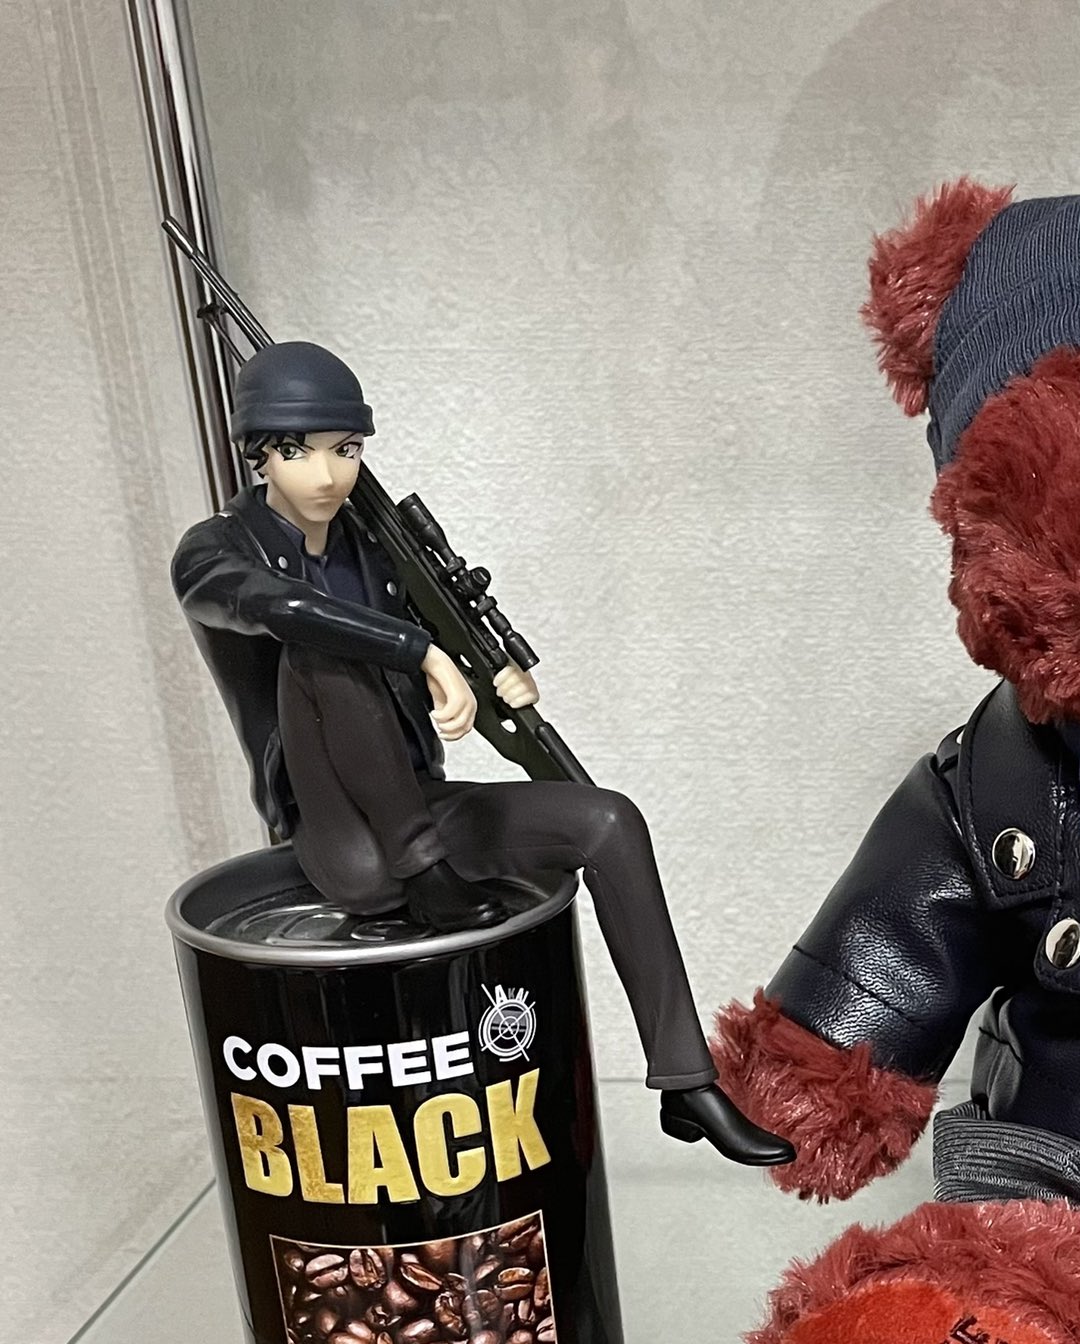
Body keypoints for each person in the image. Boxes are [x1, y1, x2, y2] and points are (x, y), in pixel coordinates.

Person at [172, 340, 790, 1166]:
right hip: (342, 841)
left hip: (413, 796)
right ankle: (428, 875)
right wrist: (418, 650)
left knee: (610, 820)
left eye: (345, 450)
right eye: (296, 451)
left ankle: (686, 1083)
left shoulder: (375, 545)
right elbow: (279, 609)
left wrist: (488, 671)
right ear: (257, 454)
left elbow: (447, 640)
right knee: (322, 643)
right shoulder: (213, 550)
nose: (325, 474)